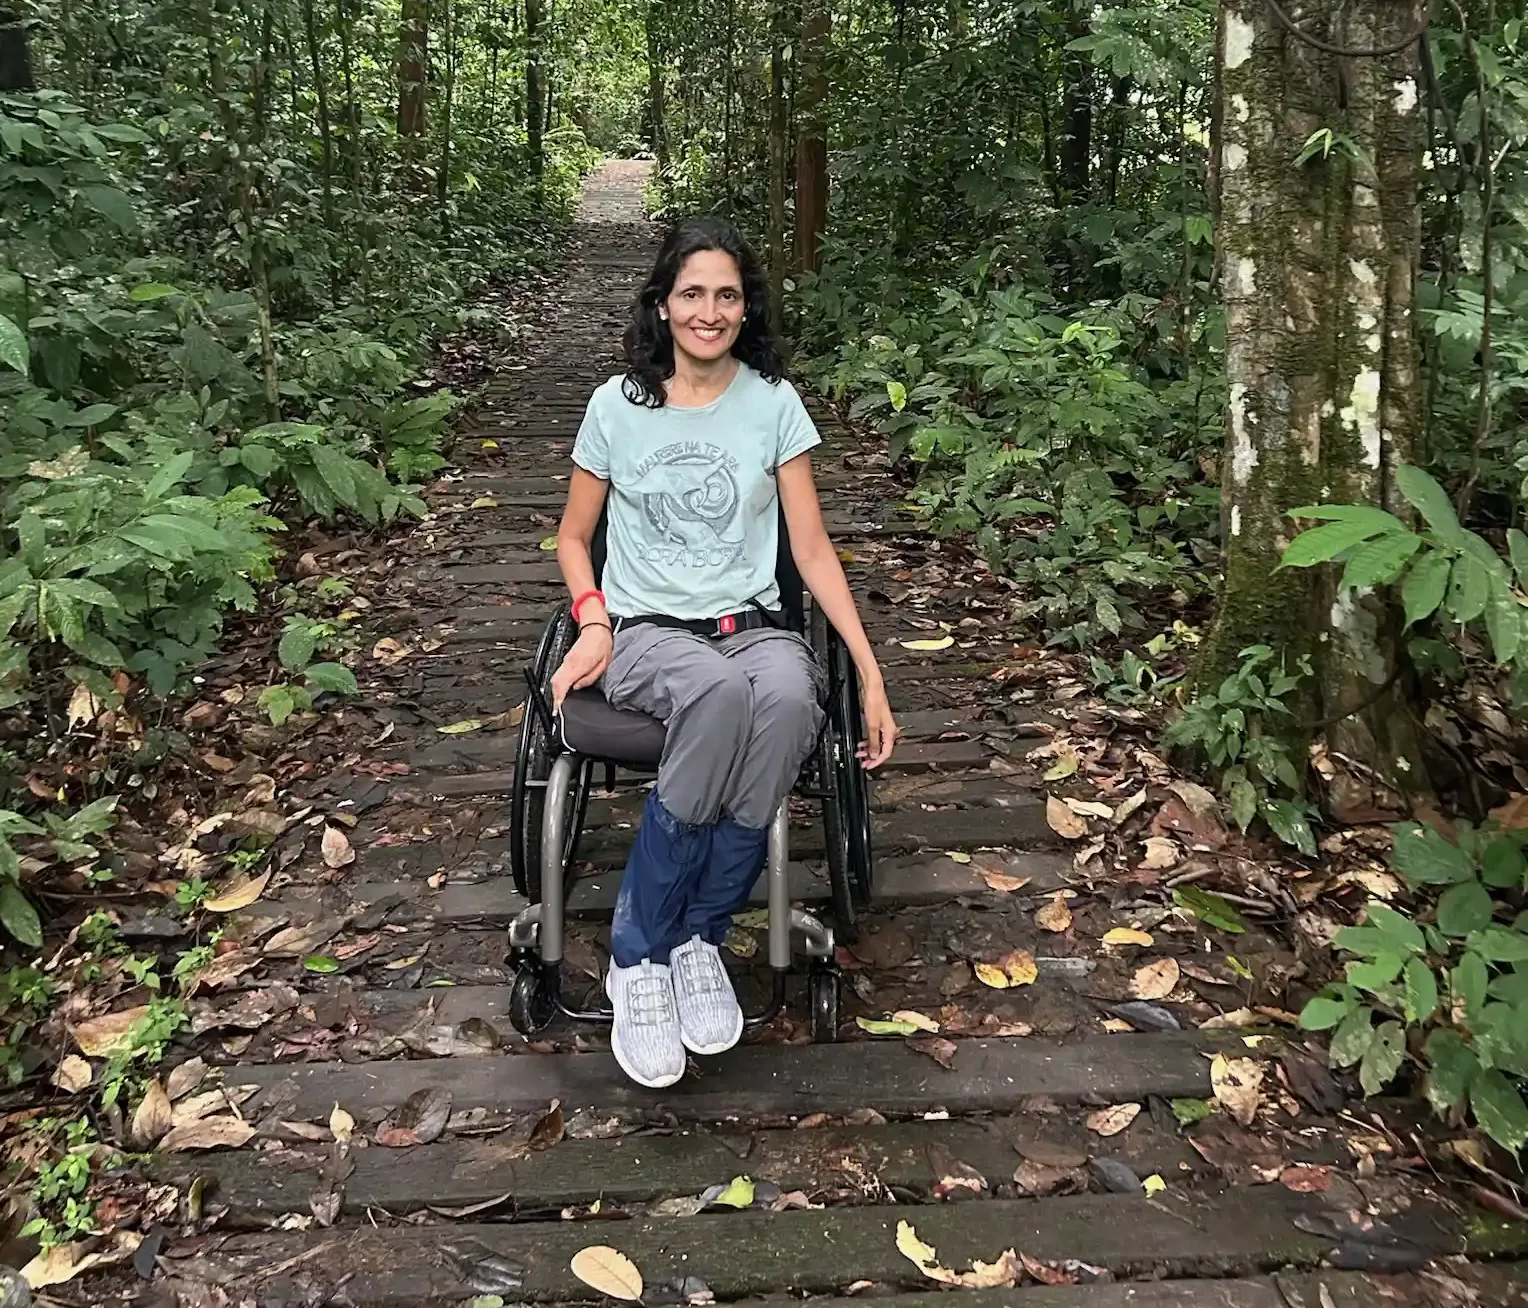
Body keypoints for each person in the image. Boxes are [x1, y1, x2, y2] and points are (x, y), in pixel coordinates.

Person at [549, 216, 898, 1089]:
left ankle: (700, 937)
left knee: (785, 699)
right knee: (717, 693)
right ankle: (639, 954)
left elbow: (811, 551)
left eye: (728, 295)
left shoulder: (773, 404)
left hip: (753, 627)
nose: (710, 311)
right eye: (693, 293)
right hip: (644, 634)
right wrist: (593, 619)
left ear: (747, 310)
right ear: (664, 305)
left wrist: (869, 668)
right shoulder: (616, 406)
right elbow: (571, 538)